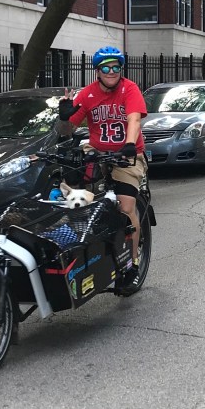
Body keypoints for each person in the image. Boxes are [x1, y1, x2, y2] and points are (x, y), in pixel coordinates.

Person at [57, 46, 147, 285]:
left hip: (127, 154)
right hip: (97, 151)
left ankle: (133, 262)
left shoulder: (130, 89)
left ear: (121, 69)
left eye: (115, 67)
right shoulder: (87, 94)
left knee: (126, 207)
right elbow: (67, 131)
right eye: (106, 67)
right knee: (75, 194)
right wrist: (64, 118)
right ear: (97, 71)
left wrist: (129, 144)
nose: (111, 71)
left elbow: (134, 118)